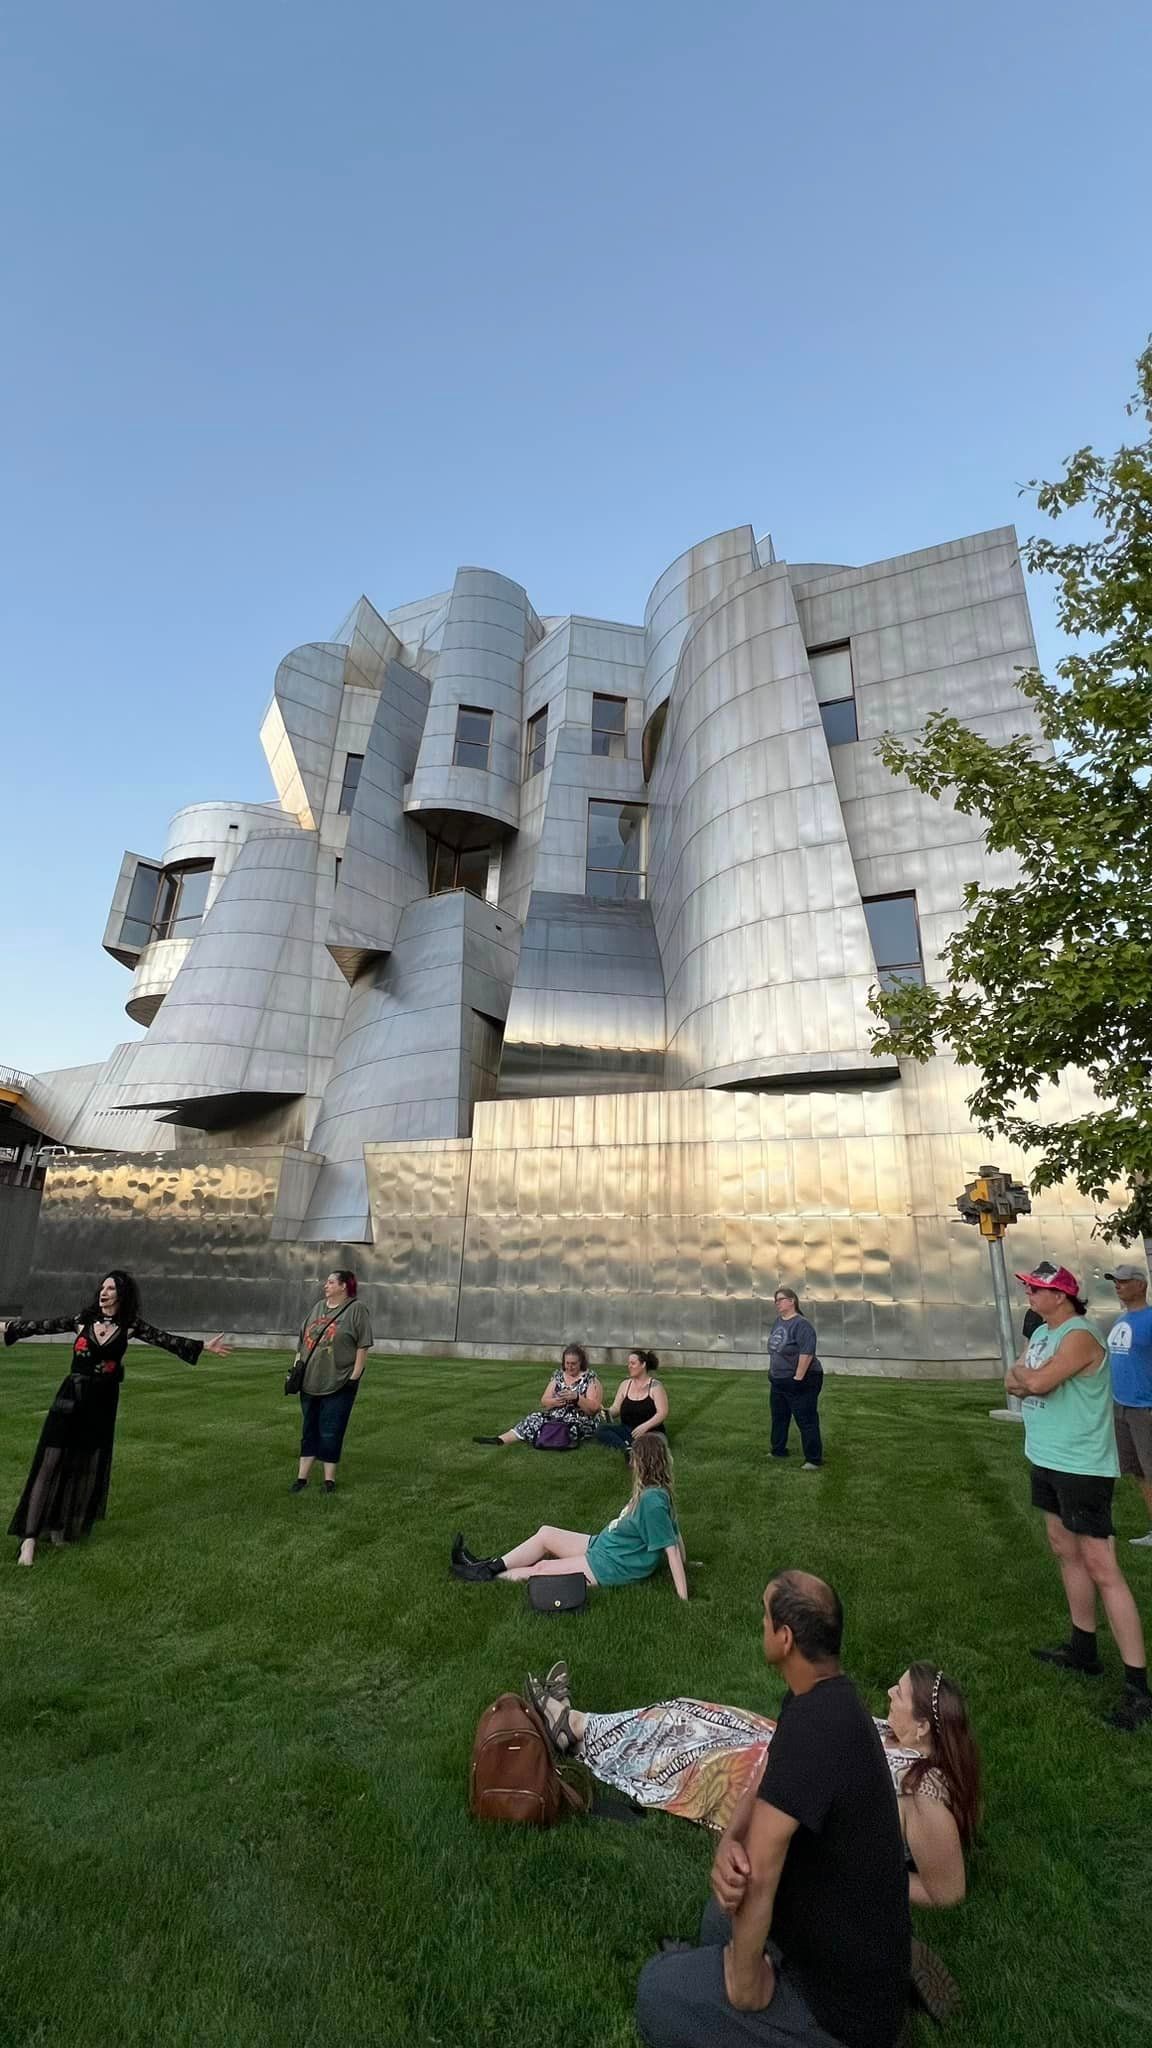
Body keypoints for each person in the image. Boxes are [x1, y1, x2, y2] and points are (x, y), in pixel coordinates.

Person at [635, 1571, 911, 2048]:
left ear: (784, 1638)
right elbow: (765, 1777)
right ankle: (733, 1967)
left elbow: (762, 1867)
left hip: (843, 2016)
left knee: (658, 1992)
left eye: (765, 1618)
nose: (760, 1625)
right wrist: (728, 1840)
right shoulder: (825, 1698)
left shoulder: (817, 1727)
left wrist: (745, 1987)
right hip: (831, 1929)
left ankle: (765, 2004)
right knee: (718, 1917)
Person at [526, 1660, 979, 1906]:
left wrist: (861, 1874)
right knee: (685, 1712)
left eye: (898, 1695)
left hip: (782, 1797)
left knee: (687, 1754)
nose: (888, 1696)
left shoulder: (928, 1796)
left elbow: (947, 1892)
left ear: (924, 1728)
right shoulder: (904, 1741)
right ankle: (584, 1727)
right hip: (779, 1749)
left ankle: (575, 1729)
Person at [1005, 1263, 1152, 1731]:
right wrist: (1026, 1374)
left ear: (1062, 1295)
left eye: (1037, 1288)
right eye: (1029, 1287)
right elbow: (1012, 1380)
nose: (1029, 1293)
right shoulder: (1045, 1334)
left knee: (1102, 1566)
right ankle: (1083, 1647)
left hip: (1082, 1465)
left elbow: (1037, 1382)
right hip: (1047, 1456)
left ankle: (1138, 1687)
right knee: (1063, 1549)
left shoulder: (1080, 1334)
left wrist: (1029, 1376)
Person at [1, 1271, 230, 1566]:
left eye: (111, 1288)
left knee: (82, 1464)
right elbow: (41, 1326)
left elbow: (164, 1340)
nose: (104, 1292)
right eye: (103, 1287)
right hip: (70, 1398)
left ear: (121, 1295)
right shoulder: (81, 1320)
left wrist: (202, 1346)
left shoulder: (129, 1327)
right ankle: (29, 1539)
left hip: (101, 1403)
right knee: (50, 1461)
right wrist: (7, 1327)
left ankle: (61, 1527)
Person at [450, 1433, 688, 1598]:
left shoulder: (652, 1500)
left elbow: (671, 1549)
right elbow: (675, 1532)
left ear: (644, 1462)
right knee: (546, 1534)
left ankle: (484, 1576)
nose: (630, 1463)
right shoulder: (654, 1491)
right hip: (605, 1546)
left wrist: (683, 1598)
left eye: (633, 1458)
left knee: (542, 1569)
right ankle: (486, 1567)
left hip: (612, 1565)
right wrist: (688, 1562)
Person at [291, 1269, 373, 1494]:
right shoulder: (317, 1307)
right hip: (310, 1381)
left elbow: (362, 1346)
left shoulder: (356, 1310)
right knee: (309, 1429)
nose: (325, 1286)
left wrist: (354, 1376)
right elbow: (302, 1341)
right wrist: (296, 1368)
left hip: (338, 1381)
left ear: (344, 1286)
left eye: (330, 1282)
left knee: (331, 1430)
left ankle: (329, 1480)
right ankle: (301, 1478)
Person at [1103, 1262, 1152, 1548]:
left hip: (1145, 1409)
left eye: (1123, 1281)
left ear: (1141, 1285)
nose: (1117, 1285)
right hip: (1122, 1406)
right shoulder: (1122, 1321)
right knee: (1139, 1471)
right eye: (1115, 1281)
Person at [473, 1343, 602, 1447]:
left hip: (579, 1418)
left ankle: (549, 1437)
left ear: (581, 1362)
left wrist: (576, 1397)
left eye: (573, 1364)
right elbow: (544, 1400)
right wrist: (555, 1402)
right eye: (567, 1363)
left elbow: (594, 1408)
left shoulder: (589, 1378)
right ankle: (500, 1440)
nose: (569, 1367)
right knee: (533, 1418)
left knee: (567, 1427)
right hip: (556, 1414)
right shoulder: (558, 1375)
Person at [767, 1289, 823, 1469]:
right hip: (779, 1380)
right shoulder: (779, 1322)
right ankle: (778, 1450)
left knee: (806, 1419)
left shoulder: (802, 1325)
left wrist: (798, 1378)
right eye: (776, 1300)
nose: (777, 1303)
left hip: (802, 1379)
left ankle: (813, 1459)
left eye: (781, 1300)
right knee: (779, 1416)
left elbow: (806, 1353)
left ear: (792, 1301)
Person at [595, 1348, 668, 1452]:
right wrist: (607, 1412)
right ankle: (627, 1449)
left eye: (633, 1363)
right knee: (601, 1430)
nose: (629, 1366)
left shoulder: (655, 1386)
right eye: (629, 1363)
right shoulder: (625, 1385)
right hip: (628, 1430)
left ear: (643, 1365)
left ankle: (633, 1445)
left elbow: (662, 1413)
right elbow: (616, 1408)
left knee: (654, 1443)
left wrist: (645, 1427)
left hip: (651, 1432)